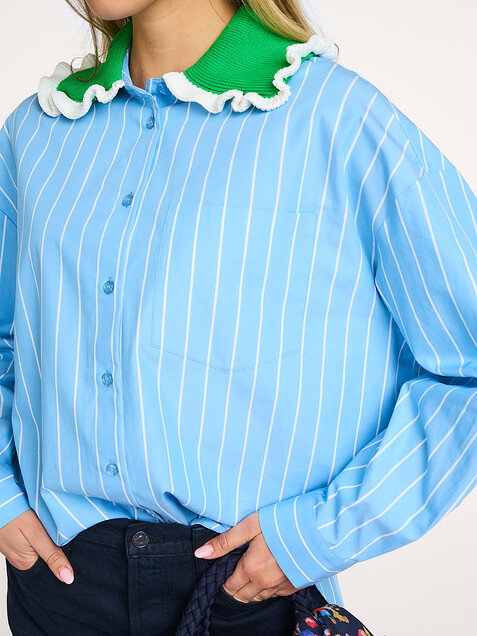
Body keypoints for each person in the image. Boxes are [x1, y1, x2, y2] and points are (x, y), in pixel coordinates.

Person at [0, 0, 476, 634]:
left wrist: (317, 535)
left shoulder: (335, 116)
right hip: (58, 586)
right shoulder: (36, 132)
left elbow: (467, 368)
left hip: (245, 592)